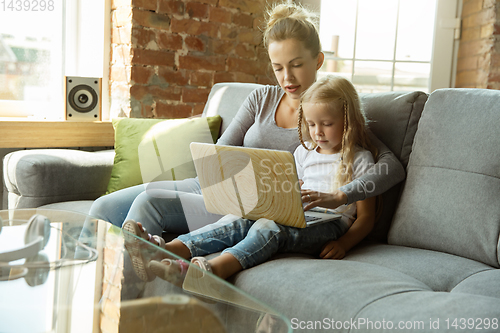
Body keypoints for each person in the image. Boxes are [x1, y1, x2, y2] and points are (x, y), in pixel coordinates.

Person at [89, 1, 404, 242]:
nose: (287, 78)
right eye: (278, 67)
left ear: (318, 60)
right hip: (213, 186)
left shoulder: (332, 113)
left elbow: (391, 166)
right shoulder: (261, 98)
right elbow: (220, 152)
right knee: (101, 210)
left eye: (296, 65)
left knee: (148, 204)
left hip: (252, 204)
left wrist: (344, 194)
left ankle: (129, 297)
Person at [125, 74, 377, 284]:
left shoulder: (360, 158)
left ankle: (215, 271)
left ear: (348, 121)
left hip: (330, 225)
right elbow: (292, 187)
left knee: (267, 228)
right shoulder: (304, 152)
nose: (317, 132)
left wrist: (344, 243)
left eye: (326, 124)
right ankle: (163, 252)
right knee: (239, 218)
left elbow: (366, 217)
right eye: (311, 124)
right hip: (297, 215)